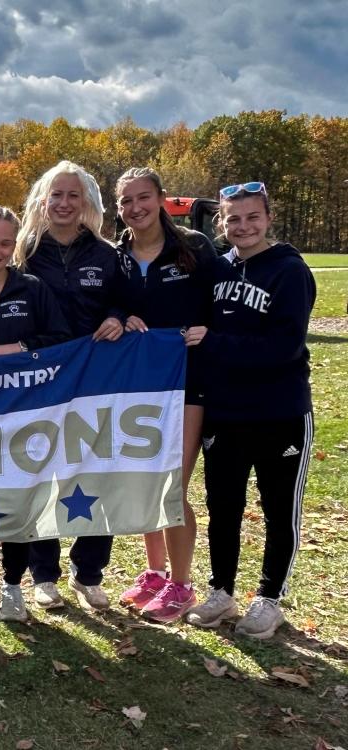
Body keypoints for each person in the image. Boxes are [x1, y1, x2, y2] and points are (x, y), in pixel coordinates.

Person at [183, 181, 315, 639]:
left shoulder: (289, 272)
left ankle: (270, 597)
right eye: (233, 219)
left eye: (252, 217)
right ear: (221, 223)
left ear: (268, 218)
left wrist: (215, 343)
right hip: (226, 411)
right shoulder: (217, 271)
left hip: (280, 411)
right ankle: (222, 590)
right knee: (224, 507)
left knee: (279, 510)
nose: (243, 226)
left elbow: (284, 346)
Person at [14, 160, 124, 611]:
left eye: (72, 195)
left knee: (96, 473)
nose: (63, 203)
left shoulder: (105, 254)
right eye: (55, 195)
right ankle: (44, 574)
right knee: (42, 474)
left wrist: (118, 316)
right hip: (41, 384)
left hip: (97, 383)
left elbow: (124, 302)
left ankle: (90, 572)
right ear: (43, 200)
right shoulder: (26, 250)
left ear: (86, 204)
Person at [113, 167, 218, 622]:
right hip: (136, 385)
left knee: (173, 482)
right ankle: (154, 573)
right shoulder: (115, 255)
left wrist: (210, 331)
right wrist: (122, 315)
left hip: (188, 383)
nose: (135, 209)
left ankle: (182, 583)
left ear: (160, 199)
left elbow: (223, 300)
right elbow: (109, 304)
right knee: (144, 480)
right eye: (126, 202)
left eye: (143, 198)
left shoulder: (193, 248)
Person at [0, 205, 71, 622]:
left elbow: (61, 340)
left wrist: (19, 350)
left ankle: (13, 587)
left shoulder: (33, 289)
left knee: (19, 503)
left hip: (25, 419)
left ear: (16, 245)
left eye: (5, 242)